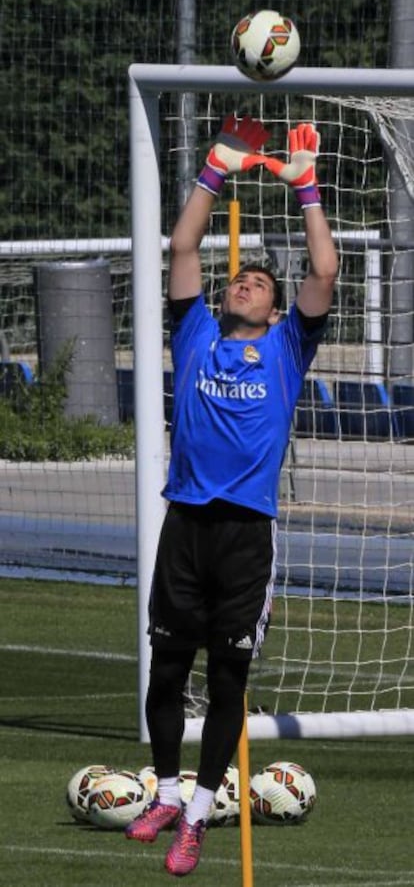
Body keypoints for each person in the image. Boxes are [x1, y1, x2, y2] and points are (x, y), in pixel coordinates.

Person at [125, 113, 338, 876]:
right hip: (185, 523)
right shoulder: (198, 337)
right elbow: (182, 247)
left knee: (226, 679)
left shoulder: (286, 347)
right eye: (239, 277)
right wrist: (215, 170)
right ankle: (166, 790)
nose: (244, 280)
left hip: (246, 533)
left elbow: (324, 272)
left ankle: (196, 813)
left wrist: (306, 188)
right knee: (166, 671)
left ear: (276, 312)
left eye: (258, 282)